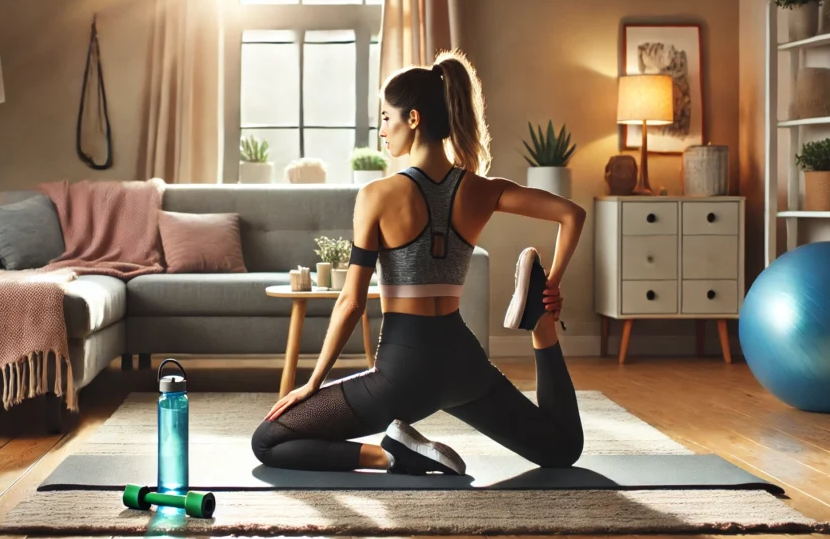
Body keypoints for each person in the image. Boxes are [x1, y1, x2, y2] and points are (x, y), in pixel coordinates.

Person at [251, 48, 586, 476]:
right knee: (560, 448)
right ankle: (541, 329)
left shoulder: (376, 196)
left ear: (413, 119)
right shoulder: (483, 190)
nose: (382, 132)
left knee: (270, 439)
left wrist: (313, 382)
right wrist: (551, 282)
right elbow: (571, 215)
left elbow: (351, 303)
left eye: (386, 119)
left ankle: (390, 454)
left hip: (402, 375)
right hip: (464, 365)